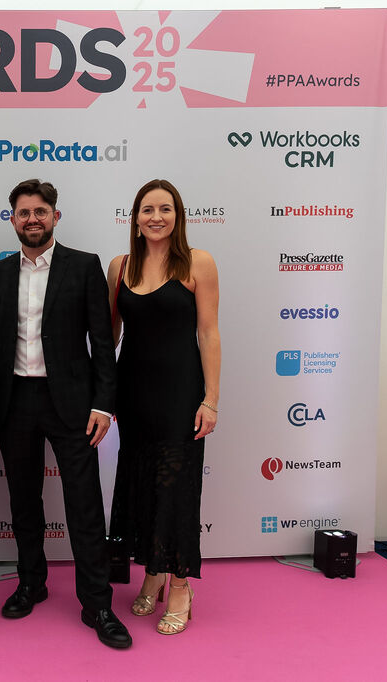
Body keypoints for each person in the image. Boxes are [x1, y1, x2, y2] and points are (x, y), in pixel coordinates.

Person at [0, 179, 132, 650]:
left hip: (72, 404)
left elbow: (103, 342)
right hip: (15, 402)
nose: (32, 219)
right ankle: (32, 583)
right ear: (12, 219)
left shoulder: (84, 266)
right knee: (24, 502)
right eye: (23, 212)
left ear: (55, 216)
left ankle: (98, 604)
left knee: (84, 505)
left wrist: (103, 404)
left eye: (40, 211)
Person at [106, 179, 220, 636]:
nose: (156, 217)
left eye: (165, 209)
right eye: (148, 209)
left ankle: (180, 586)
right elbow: (110, 335)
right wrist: (101, 394)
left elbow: (208, 333)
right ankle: (152, 570)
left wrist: (211, 399)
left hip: (181, 393)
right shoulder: (119, 266)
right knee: (142, 485)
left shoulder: (198, 262)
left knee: (176, 490)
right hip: (133, 394)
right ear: (135, 218)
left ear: (178, 216)